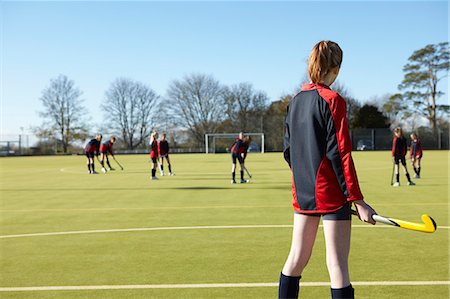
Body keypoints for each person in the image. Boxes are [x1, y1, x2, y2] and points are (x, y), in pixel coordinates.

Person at [279, 40, 376, 299]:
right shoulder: (333, 100)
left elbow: (288, 151)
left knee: (296, 259)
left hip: (303, 191)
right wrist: (357, 200)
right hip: (330, 192)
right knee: (337, 266)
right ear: (336, 69)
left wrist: (306, 178)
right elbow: (340, 153)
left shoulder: (295, 100)